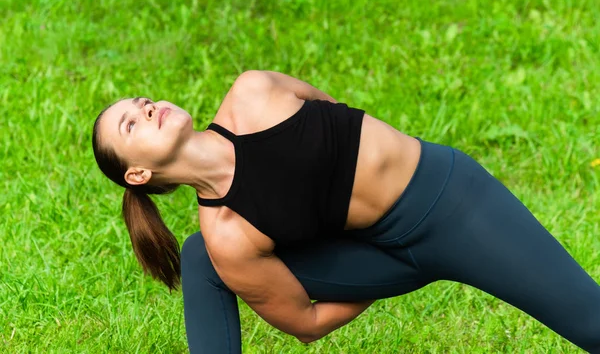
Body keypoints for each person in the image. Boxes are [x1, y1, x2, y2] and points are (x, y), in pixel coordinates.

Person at [91, 70, 600, 353]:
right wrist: (406, 274)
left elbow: (332, 110)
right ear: (137, 175)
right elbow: (305, 322)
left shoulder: (254, 92)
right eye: (130, 126)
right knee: (206, 256)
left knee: (593, 326)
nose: (145, 108)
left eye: (139, 102)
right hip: (383, 256)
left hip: (453, 202)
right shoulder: (228, 235)